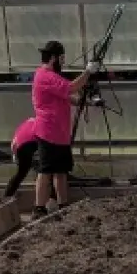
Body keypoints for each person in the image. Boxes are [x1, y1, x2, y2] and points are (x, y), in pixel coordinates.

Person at [29, 40, 98, 216]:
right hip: (48, 133)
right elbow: (71, 88)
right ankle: (39, 208)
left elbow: (67, 97)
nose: (63, 61)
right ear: (53, 58)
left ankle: (63, 206)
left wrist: (88, 102)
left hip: (59, 134)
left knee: (61, 171)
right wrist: (88, 72)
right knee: (46, 171)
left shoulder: (52, 77)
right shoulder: (45, 76)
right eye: (61, 58)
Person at [2, 117, 38, 201]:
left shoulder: (28, 122)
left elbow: (15, 142)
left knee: (21, 173)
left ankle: (7, 196)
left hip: (18, 145)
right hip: (28, 144)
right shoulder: (42, 123)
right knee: (44, 172)